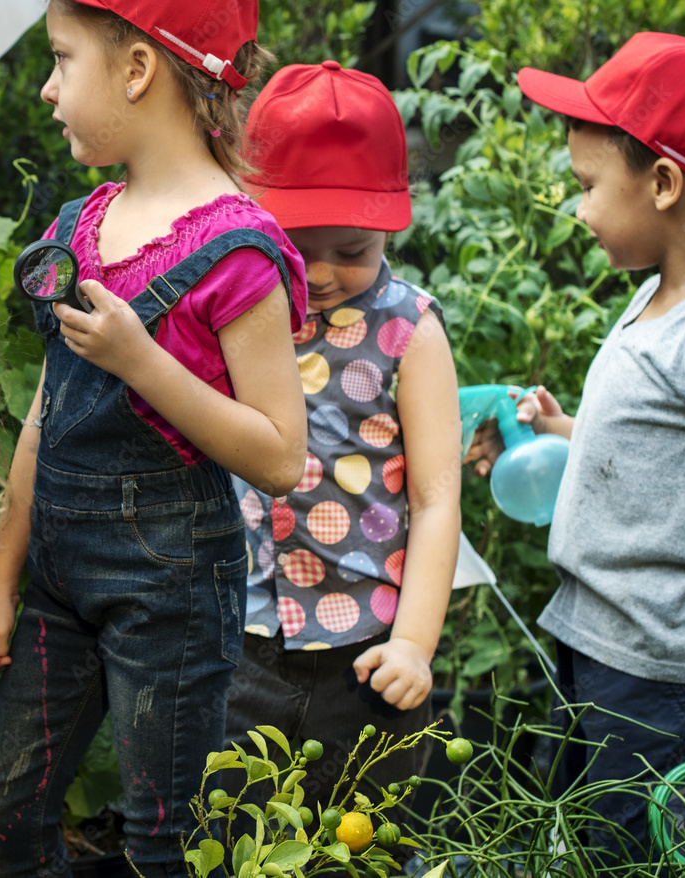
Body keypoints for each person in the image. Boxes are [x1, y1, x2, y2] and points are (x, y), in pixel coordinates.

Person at [0, 1, 308, 875]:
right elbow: (48, 409)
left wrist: (143, 361)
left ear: (137, 71)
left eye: (61, 59)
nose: (46, 89)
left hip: (173, 582)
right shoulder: (81, 225)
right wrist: (3, 577)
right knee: (2, 817)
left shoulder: (237, 250)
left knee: (164, 837)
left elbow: (279, 455)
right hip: (56, 577)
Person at [508, 32, 685, 862]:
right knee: (597, 840)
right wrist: (568, 429)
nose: (579, 207)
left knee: (648, 851)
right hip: (599, 638)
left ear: (663, 183)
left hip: (662, 670)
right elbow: (666, 443)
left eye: (588, 186)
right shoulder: (659, 298)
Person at [224, 62, 461, 810]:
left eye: (352, 250)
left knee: (361, 846)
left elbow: (436, 498)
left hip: (368, 658)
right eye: (297, 243)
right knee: (227, 841)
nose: (322, 272)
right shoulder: (237, 308)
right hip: (239, 645)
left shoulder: (409, 331)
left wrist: (415, 645)